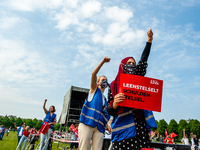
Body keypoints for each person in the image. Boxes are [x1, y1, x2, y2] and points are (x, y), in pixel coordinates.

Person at [107, 29, 157, 149]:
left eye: (133, 64)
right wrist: (115, 104)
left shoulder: (139, 80)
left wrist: (149, 41)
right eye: (128, 62)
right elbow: (110, 111)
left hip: (140, 126)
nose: (131, 65)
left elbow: (143, 60)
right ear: (122, 66)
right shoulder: (114, 85)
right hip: (124, 127)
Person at [78, 57, 111, 150]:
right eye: (102, 79)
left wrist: (107, 125)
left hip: (99, 127)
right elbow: (93, 74)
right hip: (87, 123)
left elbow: (104, 114)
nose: (104, 81)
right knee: (84, 148)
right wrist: (103, 62)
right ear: (98, 82)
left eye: (106, 80)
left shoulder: (105, 99)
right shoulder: (94, 90)